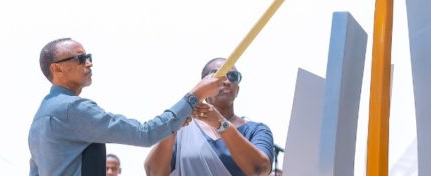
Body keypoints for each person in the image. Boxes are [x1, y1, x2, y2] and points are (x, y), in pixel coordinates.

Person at [28, 38, 223, 176]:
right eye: (80, 59)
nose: (88, 64)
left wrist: (177, 121)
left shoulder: (38, 123)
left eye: (89, 57)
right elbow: (145, 133)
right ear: (57, 68)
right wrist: (195, 95)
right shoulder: (72, 109)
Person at [144, 57, 274, 176]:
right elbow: (153, 172)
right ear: (204, 86)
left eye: (233, 76)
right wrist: (173, 125)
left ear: (238, 90)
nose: (227, 81)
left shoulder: (256, 130)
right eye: (218, 75)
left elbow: (260, 169)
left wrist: (221, 124)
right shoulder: (183, 128)